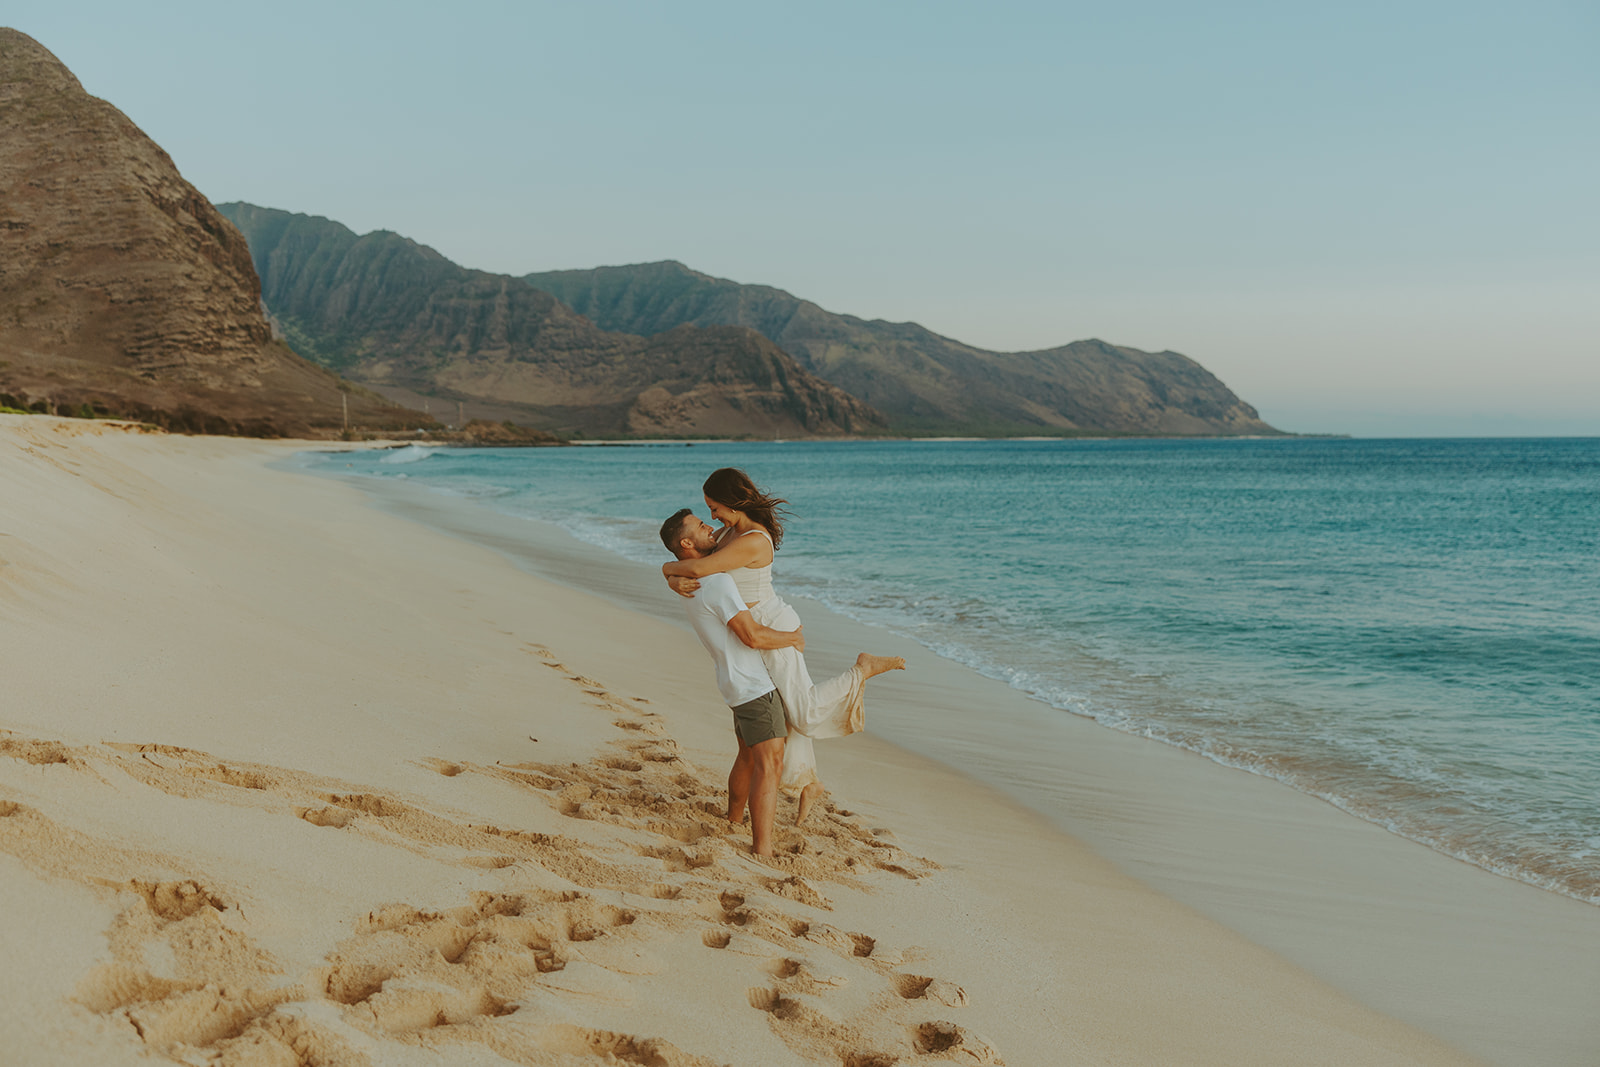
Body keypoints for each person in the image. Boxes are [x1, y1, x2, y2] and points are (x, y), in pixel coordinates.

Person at [660, 469, 904, 822]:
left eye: (714, 507)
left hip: (771, 627)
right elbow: (695, 563)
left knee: (802, 711)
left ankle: (861, 670)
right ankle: (809, 784)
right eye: (708, 511)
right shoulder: (730, 532)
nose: (712, 517)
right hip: (751, 627)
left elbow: (697, 569)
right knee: (787, 709)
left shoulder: (753, 540)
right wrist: (670, 575)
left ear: (732, 502)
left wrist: (667, 571)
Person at [657, 516, 805, 858]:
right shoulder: (716, 583)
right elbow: (751, 636)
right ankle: (762, 849)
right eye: (699, 526)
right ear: (687, 544)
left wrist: (668, 572)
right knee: (770, 763)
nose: (710, 527)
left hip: (733, 681)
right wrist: (793, 638)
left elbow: (689, 562)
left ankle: (734, 820)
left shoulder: (687, 581)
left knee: (748, 757)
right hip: (753, 683)